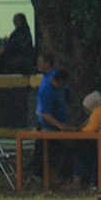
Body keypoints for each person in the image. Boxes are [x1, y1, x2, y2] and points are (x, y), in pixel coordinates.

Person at [30, 52, 72, 184]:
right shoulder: (47, 87)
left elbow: (66, 99)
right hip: (47, 122)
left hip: (58, 121)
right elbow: (45, 113)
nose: (38, 65)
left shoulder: (57, 83)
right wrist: (59, 125)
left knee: (58, 150)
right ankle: (41, 176)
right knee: (43, 150)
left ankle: (55, 176)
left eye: (41, 62)